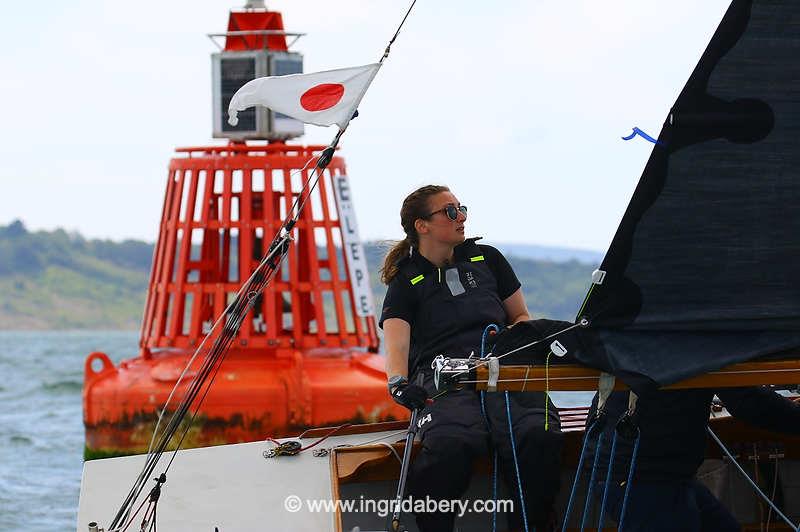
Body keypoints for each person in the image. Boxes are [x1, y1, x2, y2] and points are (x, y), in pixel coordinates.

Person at [379, 184, 563, 532]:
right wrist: (398, 384)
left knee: (540, 436)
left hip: (503, 371)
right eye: (450, 211)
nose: (461, 217)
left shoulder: (488, 259)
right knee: (451, 445)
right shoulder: (405, 282)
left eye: (461, 208)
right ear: (423, 225)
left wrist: (517, 340)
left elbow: (521, 317)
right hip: (445, 381)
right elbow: (397, 347)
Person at [584, 387, 800, 531]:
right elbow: (746, 400)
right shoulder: (699, 331)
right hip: (637, 477)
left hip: (666, 474)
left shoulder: (686, 325)